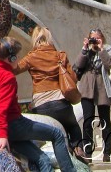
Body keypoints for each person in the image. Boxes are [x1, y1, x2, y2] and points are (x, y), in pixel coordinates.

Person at [0, 37, 76, 172]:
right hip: (14, 125)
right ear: (12, 58)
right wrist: (2, 135)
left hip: (1, 127)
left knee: (42, 159)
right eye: (17, 56)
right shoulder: (7, 77)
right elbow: (1, 108)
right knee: (57, 135)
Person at [14, 26, 86, 161]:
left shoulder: (31, 57)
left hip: (41, 106)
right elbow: (73, 78)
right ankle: (77, 148)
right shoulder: (60, 55)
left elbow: (14, 70)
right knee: (73, 127)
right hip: (61, 104)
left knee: (49, 137)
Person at [74, 28, 111, 162]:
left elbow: (109, 64)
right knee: (87, 121)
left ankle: (107, 152)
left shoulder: (107, 49)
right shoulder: (86, 50)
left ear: (101, 38)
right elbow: (78, 65)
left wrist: (101, 49)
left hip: (102, 87)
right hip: (87, 87)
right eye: (93, 38)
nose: (95, 41)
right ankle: (88, 152)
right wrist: (86, 48)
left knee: (105, 121)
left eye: (97, 38)